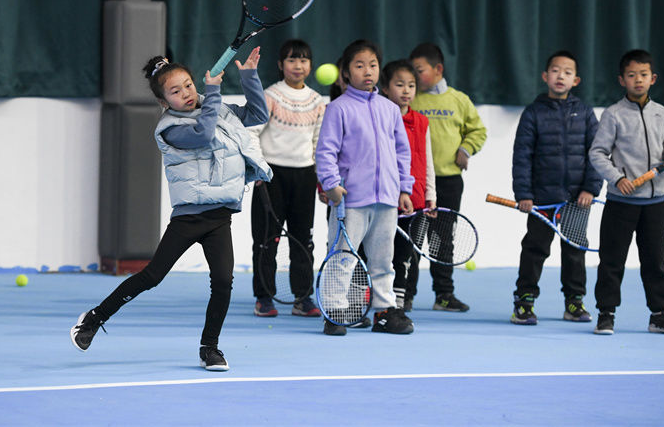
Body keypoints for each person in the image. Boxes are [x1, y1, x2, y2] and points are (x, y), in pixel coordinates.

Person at [70, 48, 273, 371]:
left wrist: (248, 76)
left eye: (189, 85)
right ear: (164, 102)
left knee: (223, 281)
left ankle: (210, 348)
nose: (186, 94)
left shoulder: (217, 109)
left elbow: (259, 115)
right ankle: (94, 318)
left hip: (220, 216)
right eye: (175, 91)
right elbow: (203, 135)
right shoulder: (170, 128)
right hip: (189, 218)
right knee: (152, 276)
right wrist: (215, 92)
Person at [315, 39, 415, 336]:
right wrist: (332, 185)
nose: (367, 71)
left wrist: (404, 189)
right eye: (359, 66)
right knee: (342, 257)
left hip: (386, 200)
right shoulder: (338, 108)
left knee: (383, 260)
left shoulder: (390, 109)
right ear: (345, 73)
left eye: (372, 65)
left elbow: (402, 152)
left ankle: (384, 311)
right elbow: (325, 152)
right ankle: (334, 310)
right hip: (351, 201)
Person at [589, 49, 664, 336]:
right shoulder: (613, 115)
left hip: (657, 204)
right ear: (622, 80)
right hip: (621, 203)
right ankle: (606, 314)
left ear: (653, 78)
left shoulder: (663, 114)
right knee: (612, 260)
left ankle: (659, 315)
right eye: (632, 75)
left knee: (655, 259)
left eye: (643, 75)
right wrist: (617, 178)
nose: (638, 80)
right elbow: (597, 153)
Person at [510, 50, 602, 325]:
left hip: (577, 200)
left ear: (576, 80)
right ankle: (524, 302)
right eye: (555, 70)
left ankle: (574, 302)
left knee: (575, 252)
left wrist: (590, 189)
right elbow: (522, 156)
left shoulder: (585, 113)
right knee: (535, 249)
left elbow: (596, 153)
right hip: (541, 199)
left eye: (567, 72)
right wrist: (524, 194)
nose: (561, 76)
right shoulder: (532, 113)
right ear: (544, 76)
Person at [247, 39, 325, 318]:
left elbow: (318, 143)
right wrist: (258, 169)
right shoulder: (270, 96)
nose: (298, 65)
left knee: (303, 240)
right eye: (292, 60)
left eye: (303, 60)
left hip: (304, 176)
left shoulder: (317, 101)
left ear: (310, 66)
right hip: (271, 176)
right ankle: (263, 297)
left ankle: (302, 298)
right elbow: (252, 133)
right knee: (267, 239)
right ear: (281, 65)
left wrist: (321, 179)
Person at [410, 42, 486, 312]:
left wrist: (466, 149)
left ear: (438, 69)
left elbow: (478, 131)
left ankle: (443, 295)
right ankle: (404, 295)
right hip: (417, 184)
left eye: (419, 70)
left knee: (443, 240)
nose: (414, 77)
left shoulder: (458, 100)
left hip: (450, 181)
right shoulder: (411, 100)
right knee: (412, 239)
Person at [380, 59, 436, 312]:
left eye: (411, 85)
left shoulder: (422, 122)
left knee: (405, 254)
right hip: (382, 200)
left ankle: (399, 301)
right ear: (385, 88)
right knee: (380, 254)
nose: (406, 90)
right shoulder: (379, 117)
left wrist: (430, 194)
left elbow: (427, 161)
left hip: (414, 201)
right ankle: (377, 297)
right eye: (399, 84)